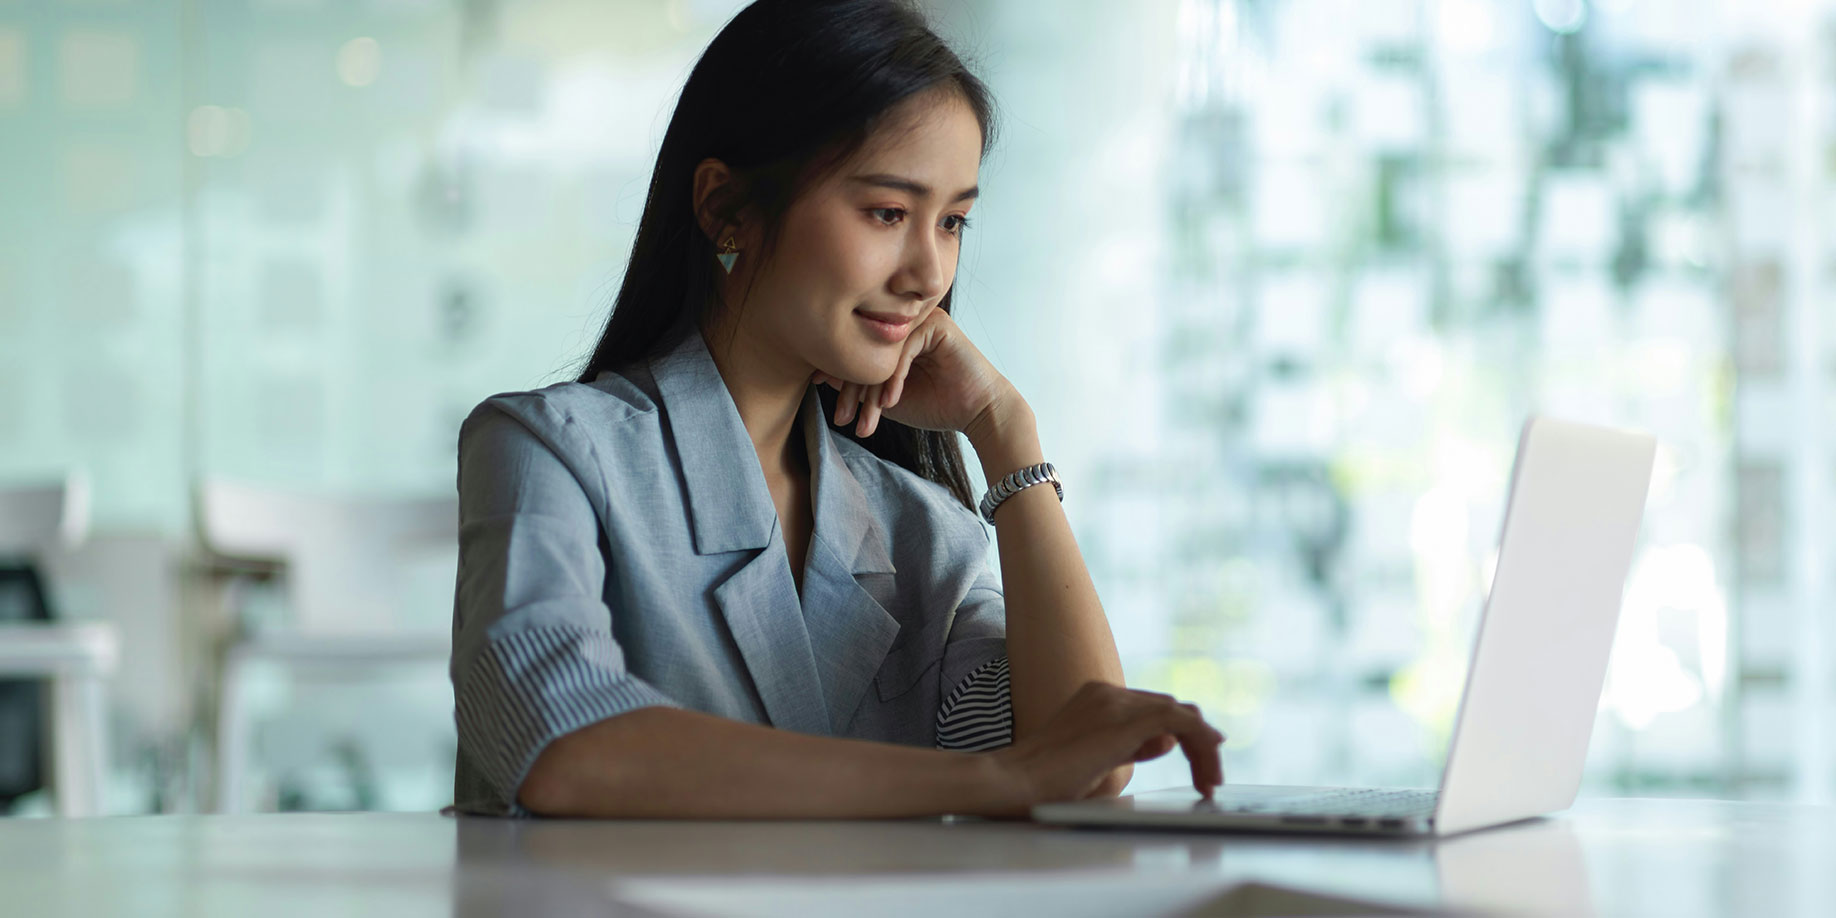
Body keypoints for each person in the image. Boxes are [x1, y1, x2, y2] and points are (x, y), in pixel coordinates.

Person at [449, 0, 1224, 819]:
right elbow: (566, 751)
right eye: (888, 212)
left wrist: (1005, 429)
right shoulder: (551, 452)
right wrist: (997, 783)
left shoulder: (921, 533)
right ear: (725, 208)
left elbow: (1086, 759)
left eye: (953, 220)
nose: (929, 270)